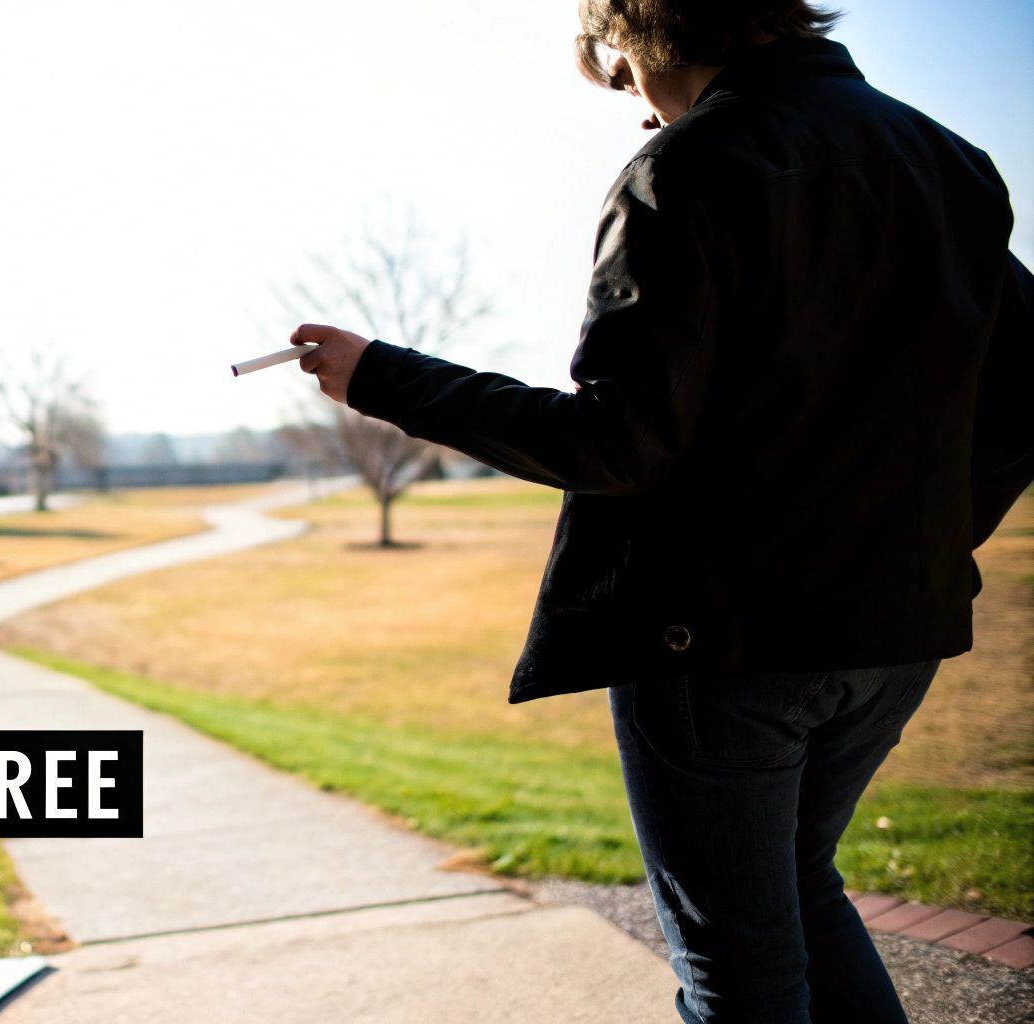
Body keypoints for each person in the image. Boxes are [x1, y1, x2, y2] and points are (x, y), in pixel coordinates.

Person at [289, 2, 1034, 1022]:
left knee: (739, 974)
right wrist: (922, 542)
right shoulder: (945, 159)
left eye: (618, 72)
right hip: (893, 631)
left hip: (717, 647)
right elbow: (1019, 397)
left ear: (646, 34)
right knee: (800, 891)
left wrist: (385, 377)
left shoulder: (689, 168)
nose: (634, 108)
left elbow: (612, 442)